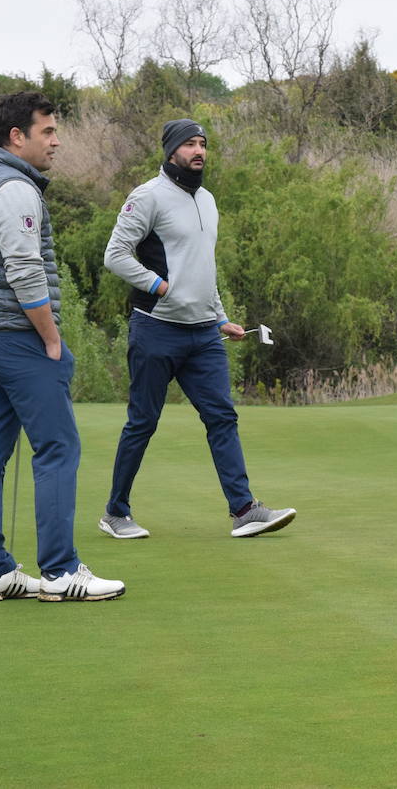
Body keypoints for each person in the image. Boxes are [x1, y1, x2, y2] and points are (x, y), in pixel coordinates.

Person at [0, 91, 125, 602]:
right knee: (58, 448)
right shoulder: (13, 189)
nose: (57, 140)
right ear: (16, 137)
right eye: (47, 131)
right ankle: (61, 571)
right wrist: (52, 340)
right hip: (17, 340)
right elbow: (25, 272)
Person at [100, 119, 296, 539]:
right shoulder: (147, 196)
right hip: (155, 328)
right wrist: (157, 284)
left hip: (204, 332)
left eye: (203, 143)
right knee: (143, 422)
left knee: (222, 416)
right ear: (171, 150)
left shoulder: (208, 200)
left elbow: (203, 267)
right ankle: (116, 512)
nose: (198, 151)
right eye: (189, 143)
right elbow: (114, 255)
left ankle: (244, 510)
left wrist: (221, 316)